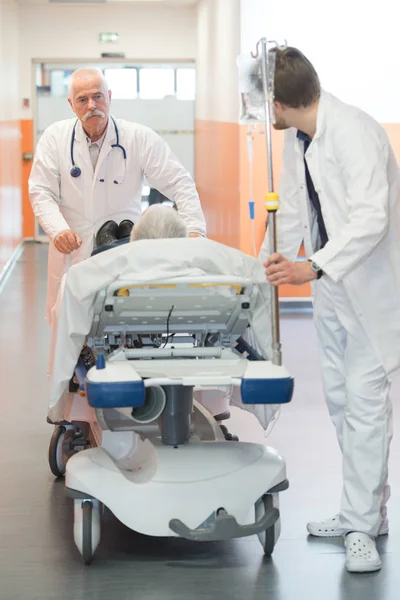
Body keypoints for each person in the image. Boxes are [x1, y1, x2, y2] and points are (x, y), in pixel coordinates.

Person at [261, 46, 400, 573]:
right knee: (341, 401)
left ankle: (362, 526)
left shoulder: (356, 132)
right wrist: (259, 275)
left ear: (278, 101)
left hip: (370, 288)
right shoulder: (299, 139)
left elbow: (371, 219)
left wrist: (312, 267)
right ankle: (363, 512)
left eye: (262, 103)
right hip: (333, 289)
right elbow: (294, 213)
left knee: (365, 408)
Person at [29, 67, 206, 325]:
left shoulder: (138, 138)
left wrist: (195, 231)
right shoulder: (55, 138)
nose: (92, 105)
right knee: (70, 332)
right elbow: (40, 190)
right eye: (82, 99)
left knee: (125, 325)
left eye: (98, 96)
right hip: (73, 251)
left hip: (124, 249)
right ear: (71, 104)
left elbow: (180, 183)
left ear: (109, 96)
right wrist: (57, 231)